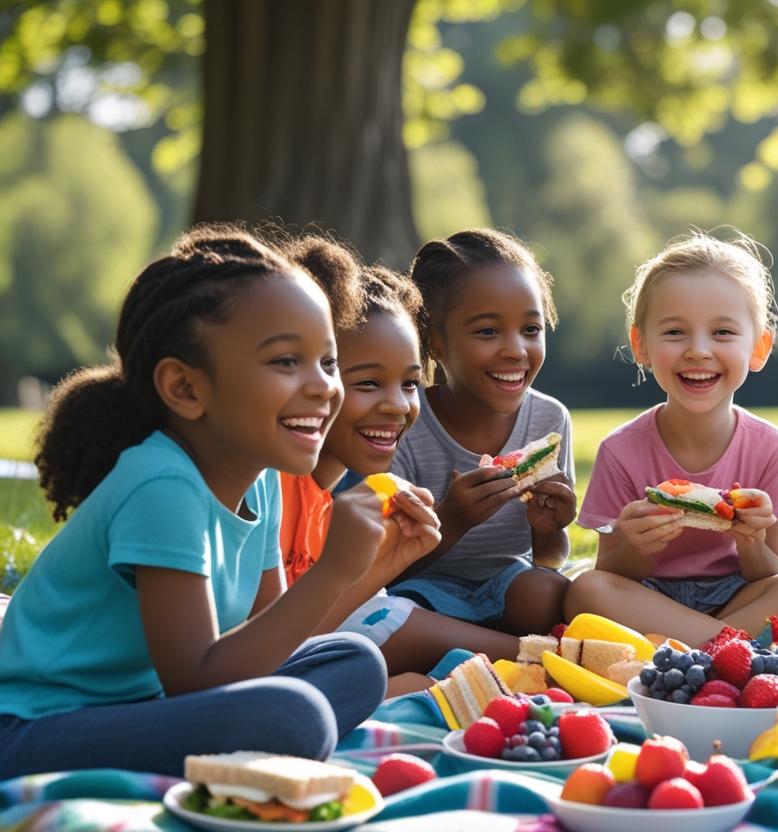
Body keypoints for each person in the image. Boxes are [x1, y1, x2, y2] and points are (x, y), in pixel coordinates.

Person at [0, 227, 439, 778]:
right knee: (294, 716)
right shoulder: (160, 485)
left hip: (153, 706)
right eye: (286, 362)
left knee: (356, 663)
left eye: (328, 363)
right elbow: (197, 679)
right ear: (186, 389)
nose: (322, 387)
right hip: (38, 727)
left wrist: (376, 563)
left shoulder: (258, 479)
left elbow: (272, 641)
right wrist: (331, 573)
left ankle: (254, 748)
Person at [277, 236, 518, 696]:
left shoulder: (326, 497)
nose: (397, 405)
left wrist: (392, 560)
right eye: (368, 382)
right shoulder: (272, 489)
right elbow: (272, 654)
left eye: (410, 383)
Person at [565, 231, 778, 646]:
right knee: (585, 590)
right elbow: (611, 573)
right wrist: (636, 544)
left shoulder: (772, 447)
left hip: (736, 596)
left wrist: (752, 540)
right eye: (674, 332)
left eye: (722, 333)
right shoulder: (620, 450)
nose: (698, 351)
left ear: (759, 348)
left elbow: (769, 572)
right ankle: (733, 650)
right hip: (649, 597)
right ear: (640, 345)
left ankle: (698, 648)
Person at [387, 229, 575, 637]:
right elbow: (386, 569)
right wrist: (451, 520)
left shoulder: (550, 419)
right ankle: (508, 651)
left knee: (547, 592)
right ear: (434, 342)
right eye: (488, 332)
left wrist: (550, 527)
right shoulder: (402, 422)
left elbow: (549, 558)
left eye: (531, 329)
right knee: (393, 616)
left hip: (507, 586)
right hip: (420, 592)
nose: (515, 350)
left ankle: (472, 649)